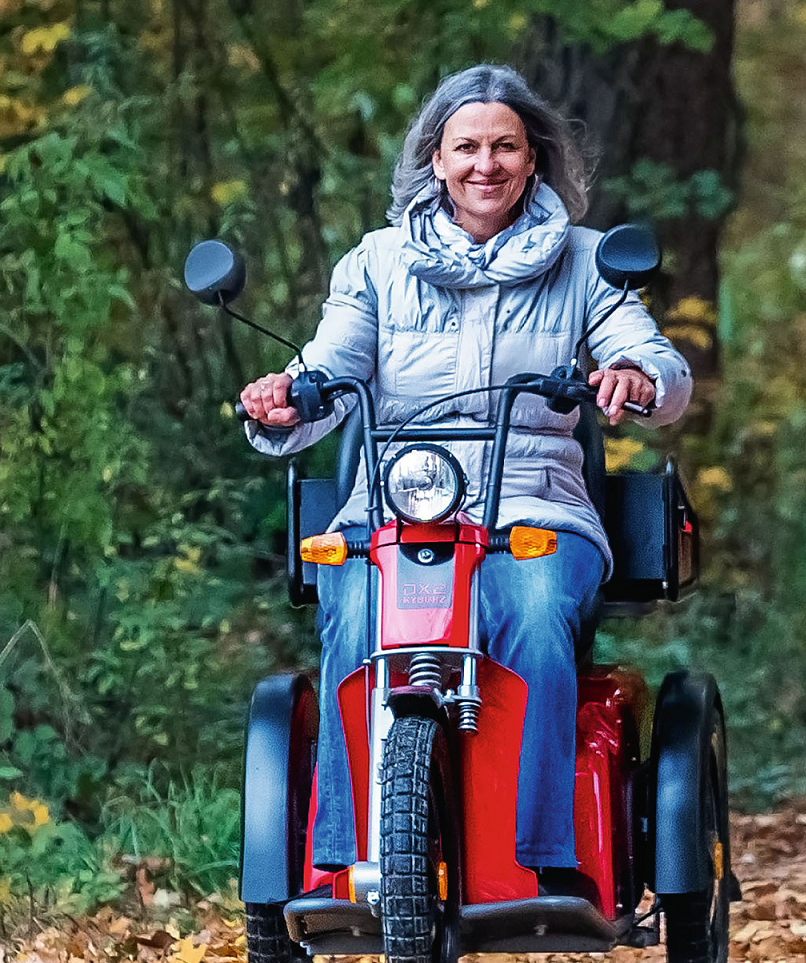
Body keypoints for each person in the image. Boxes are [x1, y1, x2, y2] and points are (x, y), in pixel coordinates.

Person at [237, 64, 691, 897]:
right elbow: (329, 369)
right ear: (436, 161)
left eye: (506, 147)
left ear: (534, 159)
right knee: (348, 613)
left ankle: (548, 859)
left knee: (535, 610)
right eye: (467, 147)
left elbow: (657, 362)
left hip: (534, 505)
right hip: (392, 506)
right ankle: (338, 861)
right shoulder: (373, 263)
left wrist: (635, 373)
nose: (487, 164)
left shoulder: (588, 263)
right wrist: (282, 399)